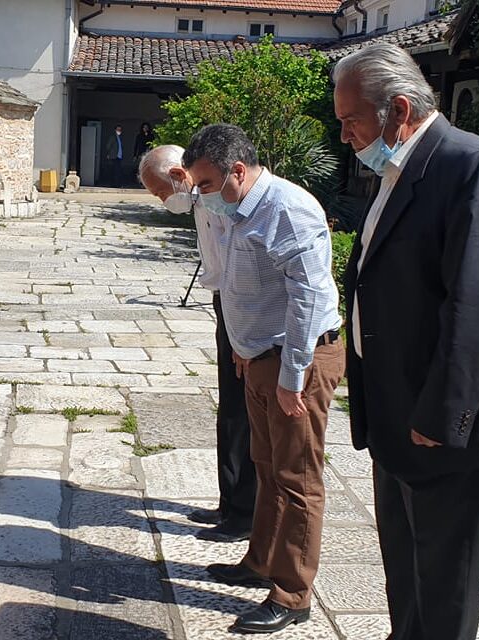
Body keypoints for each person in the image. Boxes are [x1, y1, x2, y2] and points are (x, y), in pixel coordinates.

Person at [333, 43, 479, 640]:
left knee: (445, 579)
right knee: (405, 568)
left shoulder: (470, 164)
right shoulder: (399, 168)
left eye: (352, 119)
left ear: (398, 109)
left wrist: (443, 414)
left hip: (444, 422)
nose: (346, 133)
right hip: (397, 410)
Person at [183, 124, 343, 634]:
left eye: (205, 184)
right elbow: (234, 281)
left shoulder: (288, 210)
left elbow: (310, 299)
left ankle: (293, 593)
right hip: (257, 356)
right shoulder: (230, 204)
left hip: (298, 360)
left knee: (296, 479)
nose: (200, 195)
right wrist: (241, 349)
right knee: (266, 466)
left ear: (236, 170)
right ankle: (260, 563)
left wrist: (293, 375)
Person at [137, 145, 257, 543]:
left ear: (177, 174)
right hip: (225, 302)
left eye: (159, 192)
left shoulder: (222, 198)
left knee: (244, 414)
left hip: (246, 308)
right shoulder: (199, 200)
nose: (161, 201)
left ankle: (245, 515)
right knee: (229, 410)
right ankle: (230, 502)